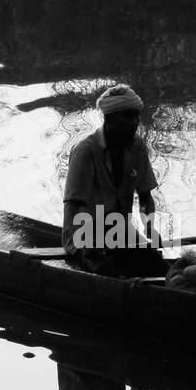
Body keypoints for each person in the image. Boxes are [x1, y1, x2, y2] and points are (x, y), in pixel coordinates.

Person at [62, 84, 166, 277]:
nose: (134, 122)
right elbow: (75, 205)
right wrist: (90, 246)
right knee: (109, 273)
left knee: (158, 267)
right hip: (83, 234)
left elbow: (145, 197)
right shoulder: (86, 151)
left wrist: (150, 228)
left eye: (136, 116)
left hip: (120, 231)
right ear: (109, 119)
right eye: (127, 117)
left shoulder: (138, 146)